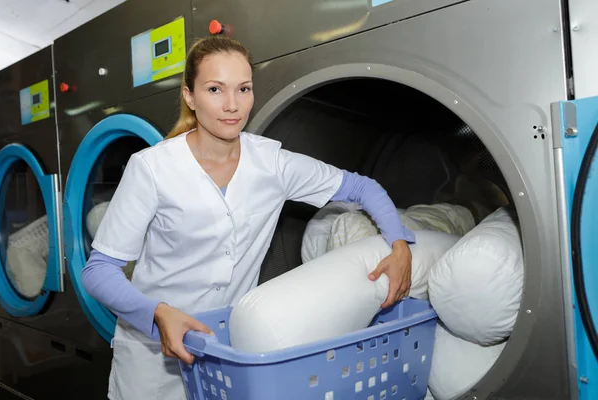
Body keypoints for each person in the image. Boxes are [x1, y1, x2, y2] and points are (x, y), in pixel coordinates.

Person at [82, 36, 416, 400]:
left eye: (243, 89)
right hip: (151, 359)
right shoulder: (152, 168)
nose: (232, 105)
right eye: (215, 89)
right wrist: (157, 314)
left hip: (225, 351)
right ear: (190, 96)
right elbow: (99, 270)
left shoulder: (272, 163)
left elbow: (361, 188)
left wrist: (399, 244)